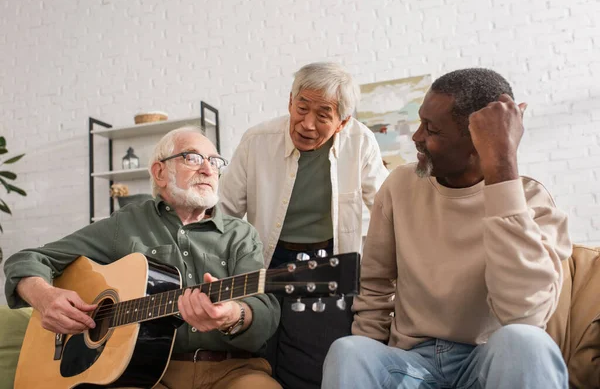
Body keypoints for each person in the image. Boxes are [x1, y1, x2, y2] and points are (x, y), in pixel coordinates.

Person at [322, 68, 572, 389]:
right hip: (413, 362)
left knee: (526, 342)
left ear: (477, 142)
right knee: (349, 351)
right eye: (420, 122)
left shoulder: (530, 199)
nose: (416, 137)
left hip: (488, 361)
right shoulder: (400, 186)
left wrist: (502, 167)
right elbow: (375, 285)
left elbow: (524, 315)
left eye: (432, 130)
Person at [4, 126, 282, 389]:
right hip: (145, 376)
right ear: (160, 172)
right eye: (193, 158)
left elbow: (265, 311)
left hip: (233, 372)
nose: (208, 169)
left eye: (215, 161)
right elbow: (27, 259)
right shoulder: (125, 225)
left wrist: (233, 315)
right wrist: (44, 296)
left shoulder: (241, 234)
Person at [219, 61, 389, 388]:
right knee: (262, 356)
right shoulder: (257, 141)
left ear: (342, 122)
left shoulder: (361, 142)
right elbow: (224, 213)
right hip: (267, 260)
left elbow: (386, 210)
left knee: (316, 364)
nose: (307, 124)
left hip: (329, 262)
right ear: (289, 102)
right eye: (302, 108)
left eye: (323, 115)